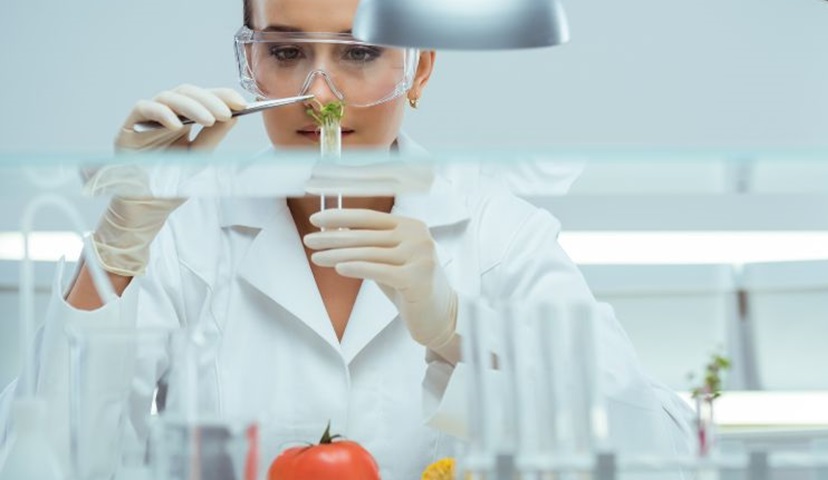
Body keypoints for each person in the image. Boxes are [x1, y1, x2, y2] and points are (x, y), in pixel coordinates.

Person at [0, 0, 693, 478]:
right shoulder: (185, 228)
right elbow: (40, 462)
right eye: (287, 51)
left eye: (360, 52)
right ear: (250, 62)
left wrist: (458, 330)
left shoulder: (498, 232)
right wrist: (120, 244)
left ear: (420, 69)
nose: (318, 94)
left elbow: (659, 452)